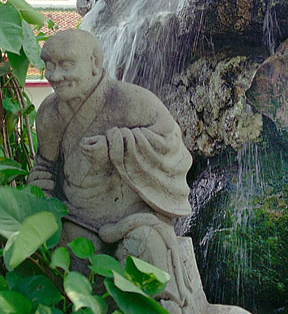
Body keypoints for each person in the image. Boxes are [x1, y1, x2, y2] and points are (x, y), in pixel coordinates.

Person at [28, 29, 193, 310]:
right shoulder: (50, 114)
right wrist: (39, 183)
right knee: (56, 252)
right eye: (49, 66)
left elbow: (174, 148)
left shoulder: (133, 102)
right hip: (78, 219)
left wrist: (119, 146)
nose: (54, 76)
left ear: (95, 63)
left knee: (145, 247)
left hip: (133, 219)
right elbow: (46, 165)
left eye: (66, 65)